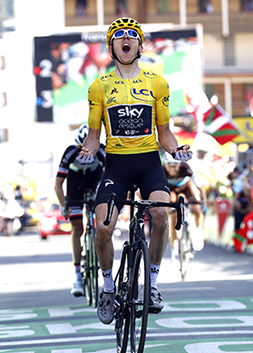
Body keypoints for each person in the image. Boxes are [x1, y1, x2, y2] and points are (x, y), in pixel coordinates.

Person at [76, 17, 192, 325]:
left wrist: (175, 149)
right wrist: (88, 149)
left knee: (160, 214)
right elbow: (93, 134)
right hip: (117, 165)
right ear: (111, 46)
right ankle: (108, 287)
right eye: (119, 37)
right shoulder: (99, 86)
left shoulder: (157, 82)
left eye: (132, 36)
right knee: (102, 228)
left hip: (149, 162)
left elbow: (165, 131)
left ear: (140, 46)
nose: (126, 40)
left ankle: (152, 285)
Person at [54, 124, 106, 297]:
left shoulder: (101, 151)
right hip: (75, 187)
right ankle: (77, 275)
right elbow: (58, 184)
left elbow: (112, 177)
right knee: (77, 227)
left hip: (95, 184)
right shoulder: (70, 152)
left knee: (102, 224)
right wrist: (64, 206)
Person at [162, 152, 207, 259]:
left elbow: (200, 187)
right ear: (165, 164)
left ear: (180, 164)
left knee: (196, 207)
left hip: (186, 186)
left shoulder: (185, 168)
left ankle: (198, 231)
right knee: (172, 215)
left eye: (175, 166)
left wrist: (203, 201)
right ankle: (174, 251)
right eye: (170, 166)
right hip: (171, 189)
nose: (173, 169)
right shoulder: (162, 170)